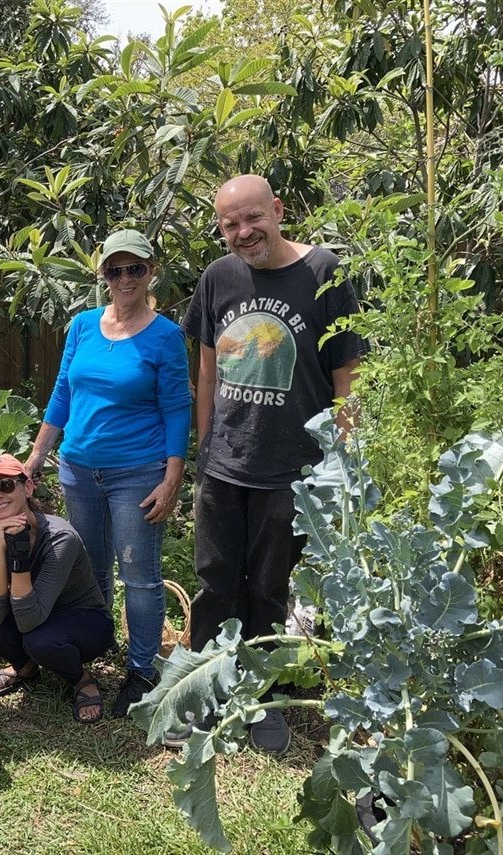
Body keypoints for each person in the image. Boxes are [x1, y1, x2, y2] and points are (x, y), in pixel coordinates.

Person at [176, 174, 368, 752]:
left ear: (278, 210)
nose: (243, 232)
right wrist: (206, 449)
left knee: (270, 587)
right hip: (226, 464)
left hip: (296, 468)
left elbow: (347, 380)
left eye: (252, 218)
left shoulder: (324, 273)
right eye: (230, 224)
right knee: (213, 582)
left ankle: (261, 699)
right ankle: (207, 693)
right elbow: (207, 369)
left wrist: (343, 463)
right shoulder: (218, 278)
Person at [25, 229, 192, 719]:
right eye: (114, 270)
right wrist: (37, 456)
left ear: (150, 272)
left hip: (137, 472)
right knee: (88, 571)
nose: (124, 278)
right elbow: (62, 395)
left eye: (134, 269)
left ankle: (140, 669)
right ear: (103, 276)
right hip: (78, 470)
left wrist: (173, 476)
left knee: (139, 576)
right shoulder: (81, 326)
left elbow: (178, 409)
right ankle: (90, 660)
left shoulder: (165, 336)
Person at [0, 454, 114, 724]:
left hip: (82, 620)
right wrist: (1, 548)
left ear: (27, 488)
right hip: (33, 612)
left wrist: (19, 552)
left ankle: (81, 680)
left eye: (5, 485)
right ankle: (24, 669)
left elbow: (29, 620)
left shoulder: (61, 537)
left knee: (39, 640)